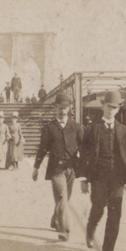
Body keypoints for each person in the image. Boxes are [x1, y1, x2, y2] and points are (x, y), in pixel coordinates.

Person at [78, 90, 126, 251]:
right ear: (103, 106)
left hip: (117, 179)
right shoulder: (92, 128)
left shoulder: (123, 130)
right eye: (108, 106)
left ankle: (108, 250)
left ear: (118, 109)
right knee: (98, 208)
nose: (111, 110)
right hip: (98, 177)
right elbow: (84, 154)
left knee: (115, 214)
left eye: (115, 107)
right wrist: (83, 180)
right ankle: (90, 228)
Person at [33, 93, 84, 242]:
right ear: (55, 108)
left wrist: (86, 168)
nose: (62, 111)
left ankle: (55, 218)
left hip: (71, 169)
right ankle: (64, 230)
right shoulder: (49, 128)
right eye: (59, 108)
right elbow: (42, 148)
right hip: (56, 170)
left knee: (65, 199)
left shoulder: (76, 127)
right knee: (62, 197)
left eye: (65, 108)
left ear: (69, 109)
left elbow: (85, 147)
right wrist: (36, 167)